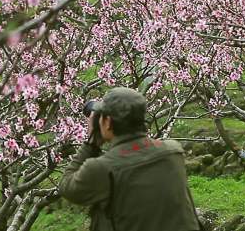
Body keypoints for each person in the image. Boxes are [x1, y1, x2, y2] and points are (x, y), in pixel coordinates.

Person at [59, 87, 202, 231]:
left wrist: (91, 143)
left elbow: (67, 187)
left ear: (107, 122)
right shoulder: (173, 151)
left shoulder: (103, 168)